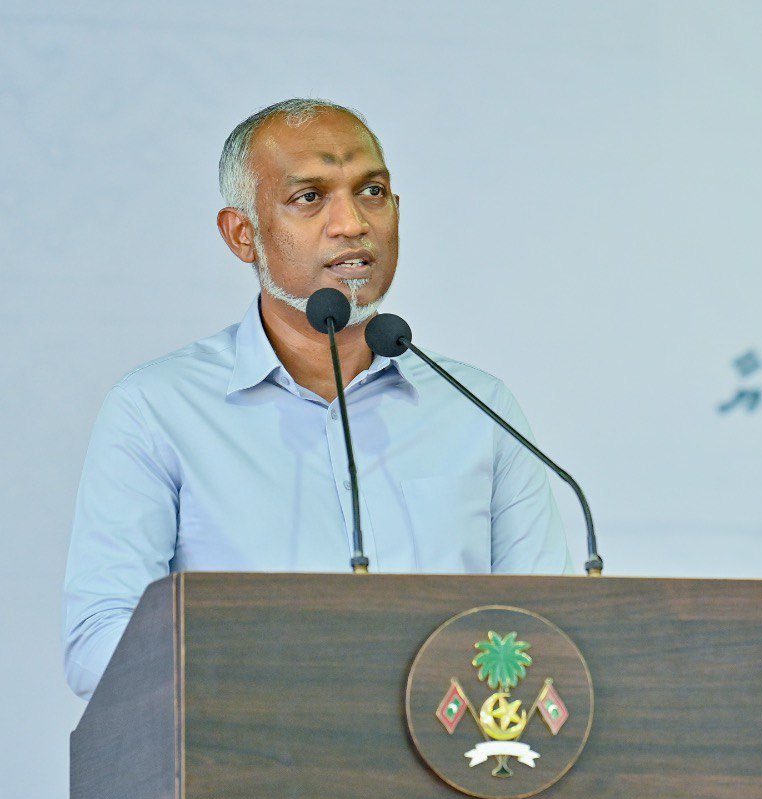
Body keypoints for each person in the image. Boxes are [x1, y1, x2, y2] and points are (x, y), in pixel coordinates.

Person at [63, 99, 572, 701]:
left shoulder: (477, 407)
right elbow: (98, 646)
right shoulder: (158, 409)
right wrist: (279, 675)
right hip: (250, 746)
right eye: (309, 197)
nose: (351, 223)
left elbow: (553, 630)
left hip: (448, 745)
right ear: (243, 234)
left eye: (372, 192)